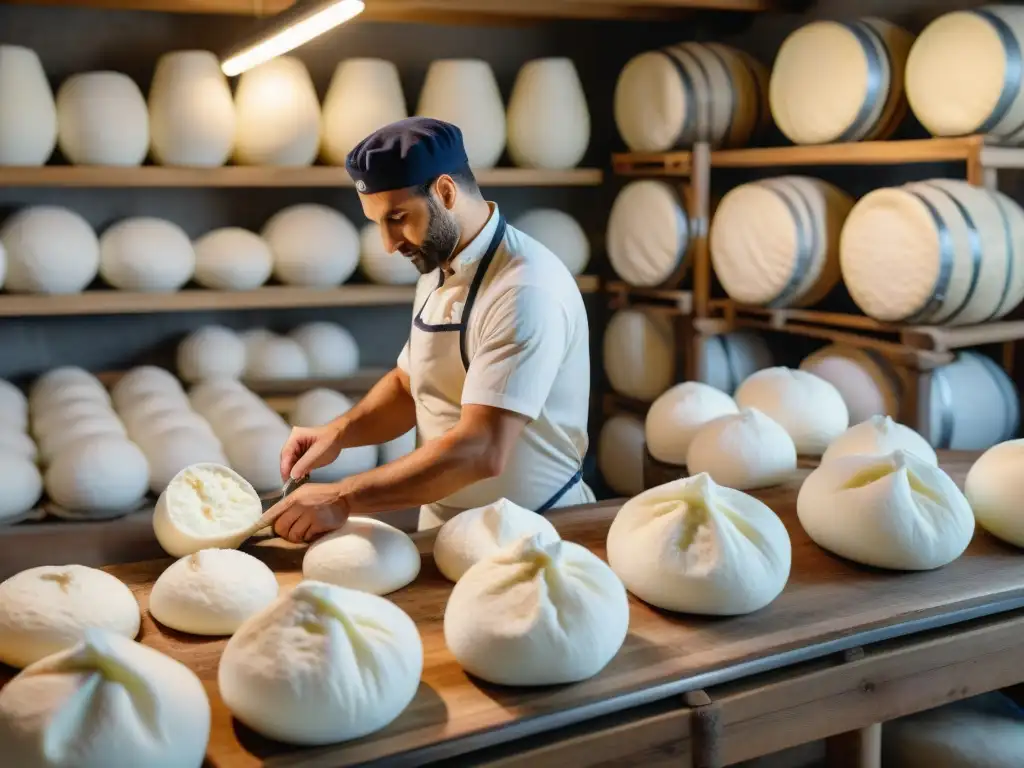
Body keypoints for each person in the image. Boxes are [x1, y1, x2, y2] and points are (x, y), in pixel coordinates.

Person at [269, 116, 593, 543]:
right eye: (378, 223)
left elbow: (482, 450)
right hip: (446, 526)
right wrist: (339, 433)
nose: (388, 244)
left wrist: (344, 498)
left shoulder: (525, 290)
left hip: (533, 533)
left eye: (398, 218)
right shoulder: (439, 259)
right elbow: (412, 385)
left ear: (445, 192)